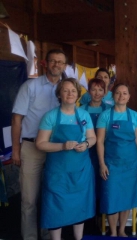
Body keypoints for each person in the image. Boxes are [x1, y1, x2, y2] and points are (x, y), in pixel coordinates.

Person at [11, 49, 66, 240]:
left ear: (64, 66)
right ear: (45, 63)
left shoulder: (67, 89)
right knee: (29, 199)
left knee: (50, 196)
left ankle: (48, 234)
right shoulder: (30, 86)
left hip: (57, 151)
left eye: (60, 62)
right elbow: (17, 119)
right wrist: (16, 150)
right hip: (31, 148)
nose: (56, 65)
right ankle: (30, 237)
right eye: (53, 61)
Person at [36, 78, 96, 240]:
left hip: (80, 171)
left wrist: (86, 143)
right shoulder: (50, 116)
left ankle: (79, 238)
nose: (70, 94)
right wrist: (62, 146)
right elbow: (40, 143)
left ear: (78, 94)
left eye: (73, 91)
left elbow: (92, 137)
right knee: (55, 208)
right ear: (59, 94)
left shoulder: (84, 115)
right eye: (66, 90)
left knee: (79, 205)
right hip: (58, 172)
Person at [97, 83, 137, 237]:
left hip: (131, 164)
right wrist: (102, 164)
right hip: (111, 165)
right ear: (113, 96)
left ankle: (121, 230)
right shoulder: (105, 115)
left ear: (129, 97)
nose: (121, 96)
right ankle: (112, 232)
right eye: (118, 93)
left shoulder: (134, 116)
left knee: (127, 198)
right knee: (112, 198)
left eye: (124, 93)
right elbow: (99, 141)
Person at [80, 78, 111, 198]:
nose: (97, 93)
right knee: (88, 181)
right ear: (88, 91)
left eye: (100, 90)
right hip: (86, 151)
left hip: (105, 150)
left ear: (105, 92)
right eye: (93, 89)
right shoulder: (81, 110)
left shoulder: (109, 109)